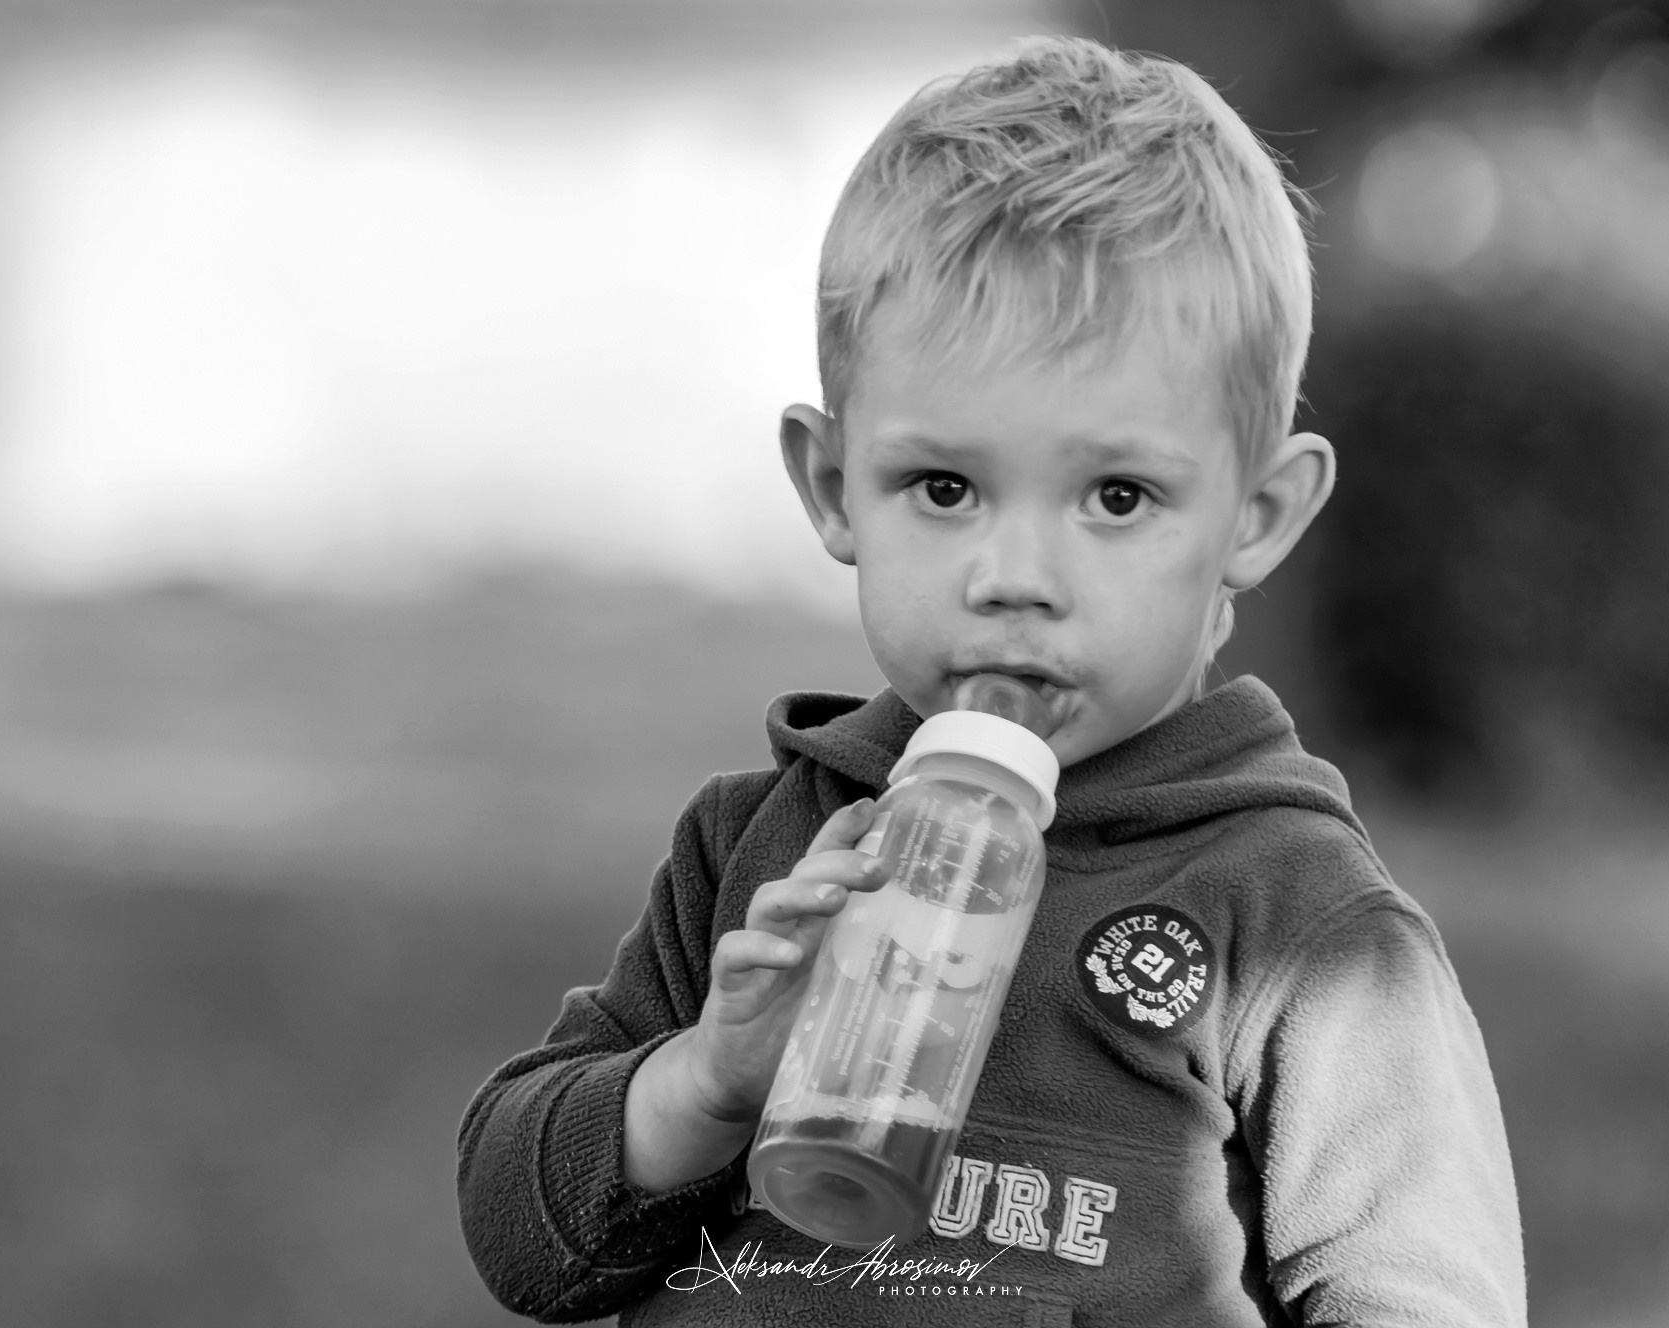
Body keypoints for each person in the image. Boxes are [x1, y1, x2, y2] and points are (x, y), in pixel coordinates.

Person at [458, 34, 1524, 1327]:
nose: (1016, 576)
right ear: (831, 485)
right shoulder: (762, 854)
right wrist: (709, 1082)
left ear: (1257, 514)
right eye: (945, 489)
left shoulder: (1299, 925)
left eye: (1117, 497)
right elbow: (522, 1233)